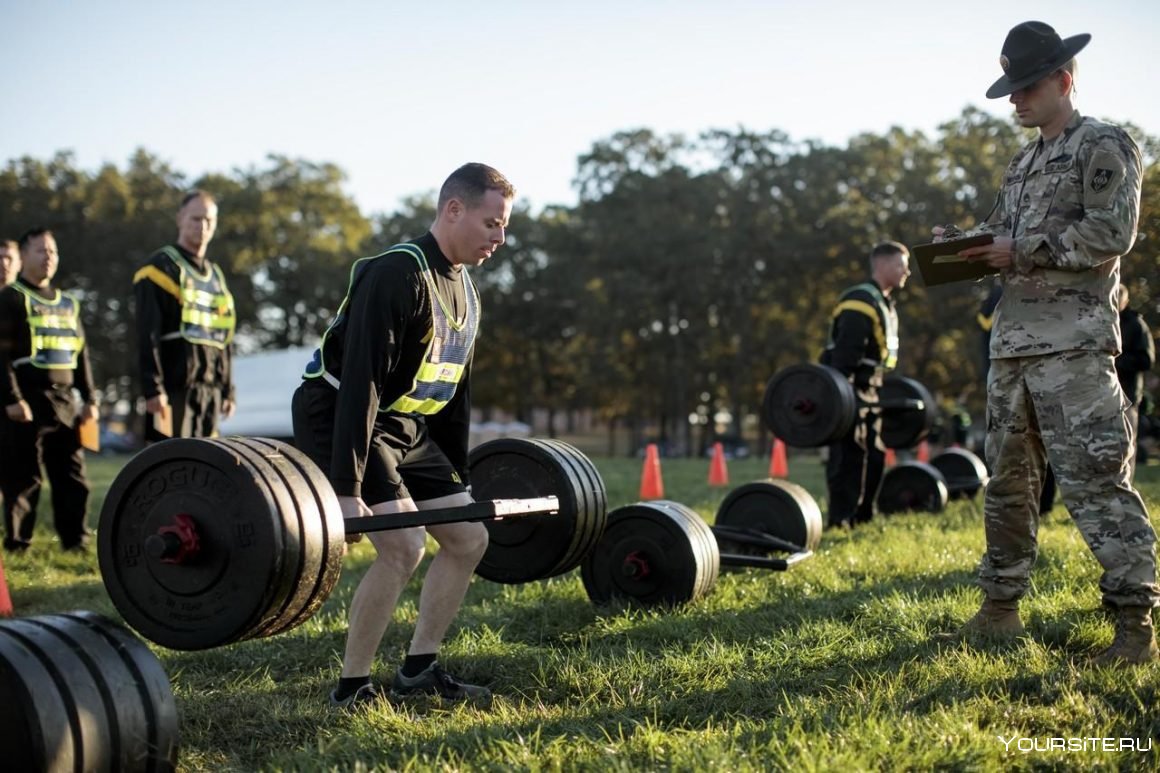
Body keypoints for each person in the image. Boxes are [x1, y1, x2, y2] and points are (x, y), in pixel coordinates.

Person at [943, 21, 1158, 664]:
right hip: (1012, 349)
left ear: (1066, 79)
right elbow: (999, 234)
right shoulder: (1024, 162)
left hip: (1074, 350)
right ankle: (999, 607)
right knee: (1007, 485)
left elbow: (1111, 234)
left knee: (1095, 482)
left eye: (1027, 86)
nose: (1016, 100)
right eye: (1011, 89)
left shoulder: (1105, 144)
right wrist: (964, 247)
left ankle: (1133, 629)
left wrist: (1021, 249)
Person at [292, 163, 513, 709]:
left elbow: (452, 392)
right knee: (403, 547)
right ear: (454, 209)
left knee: (468, 537)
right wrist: (345, 488)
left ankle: (418, 670)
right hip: (342, 412)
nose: (499, 238)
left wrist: (459, 479)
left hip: (404, 426)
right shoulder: (399, 272)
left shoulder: (466, 292)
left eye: (504, 226)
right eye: (492, 223)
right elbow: (361, 381)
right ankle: (352, 686)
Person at [0, 228, 98, 552]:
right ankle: (18, 544)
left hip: (66, 400)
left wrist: (90, 399)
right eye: (41, 251)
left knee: (72, 476)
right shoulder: (10, 297)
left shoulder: (68, 303)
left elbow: (81, 354)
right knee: (24, 477)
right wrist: (12, 399)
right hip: (28, 397)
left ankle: (76, 541)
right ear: (24, 255)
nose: (48, 258)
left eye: (53, 252)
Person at [819, 241, 910, 529]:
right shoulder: (860, 300)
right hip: (849, 387)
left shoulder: (884, 302)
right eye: (900, 264)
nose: (906, 271)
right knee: (849, 455)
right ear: (881, 266)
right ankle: (840, 520)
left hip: (873, 387)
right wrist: (843, 397)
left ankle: (862, 515)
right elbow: (846, 353)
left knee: (875, 453)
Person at [133, 190, 236, 440]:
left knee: (205, 468)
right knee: (170, 467)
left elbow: (224, 340)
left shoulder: (217, 278)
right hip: (173, 390)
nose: (203, 226)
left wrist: (227, 390)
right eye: (196, 219)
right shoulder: (158, 268)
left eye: (209, 220)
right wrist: (153, 389)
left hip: (209, 392)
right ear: (180, 218)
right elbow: (147, 335)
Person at [977, 282, 1057, 514]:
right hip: (1017, 375)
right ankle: (1037, 506)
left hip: (1011, 376)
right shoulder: (1000, 293)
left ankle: (1040, 505)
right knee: (1023, 446)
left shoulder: (999, 293)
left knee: (1031, 443)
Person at [1116, 283, 1155, 470]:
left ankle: (1126, 487)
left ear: (1126, 301)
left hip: (1128, 395)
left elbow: (1146, 360)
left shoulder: (1135, 324)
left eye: (1118, 299)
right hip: (1100, 394)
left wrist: (1117, 361)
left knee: (1126, 445)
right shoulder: (1100, 320)